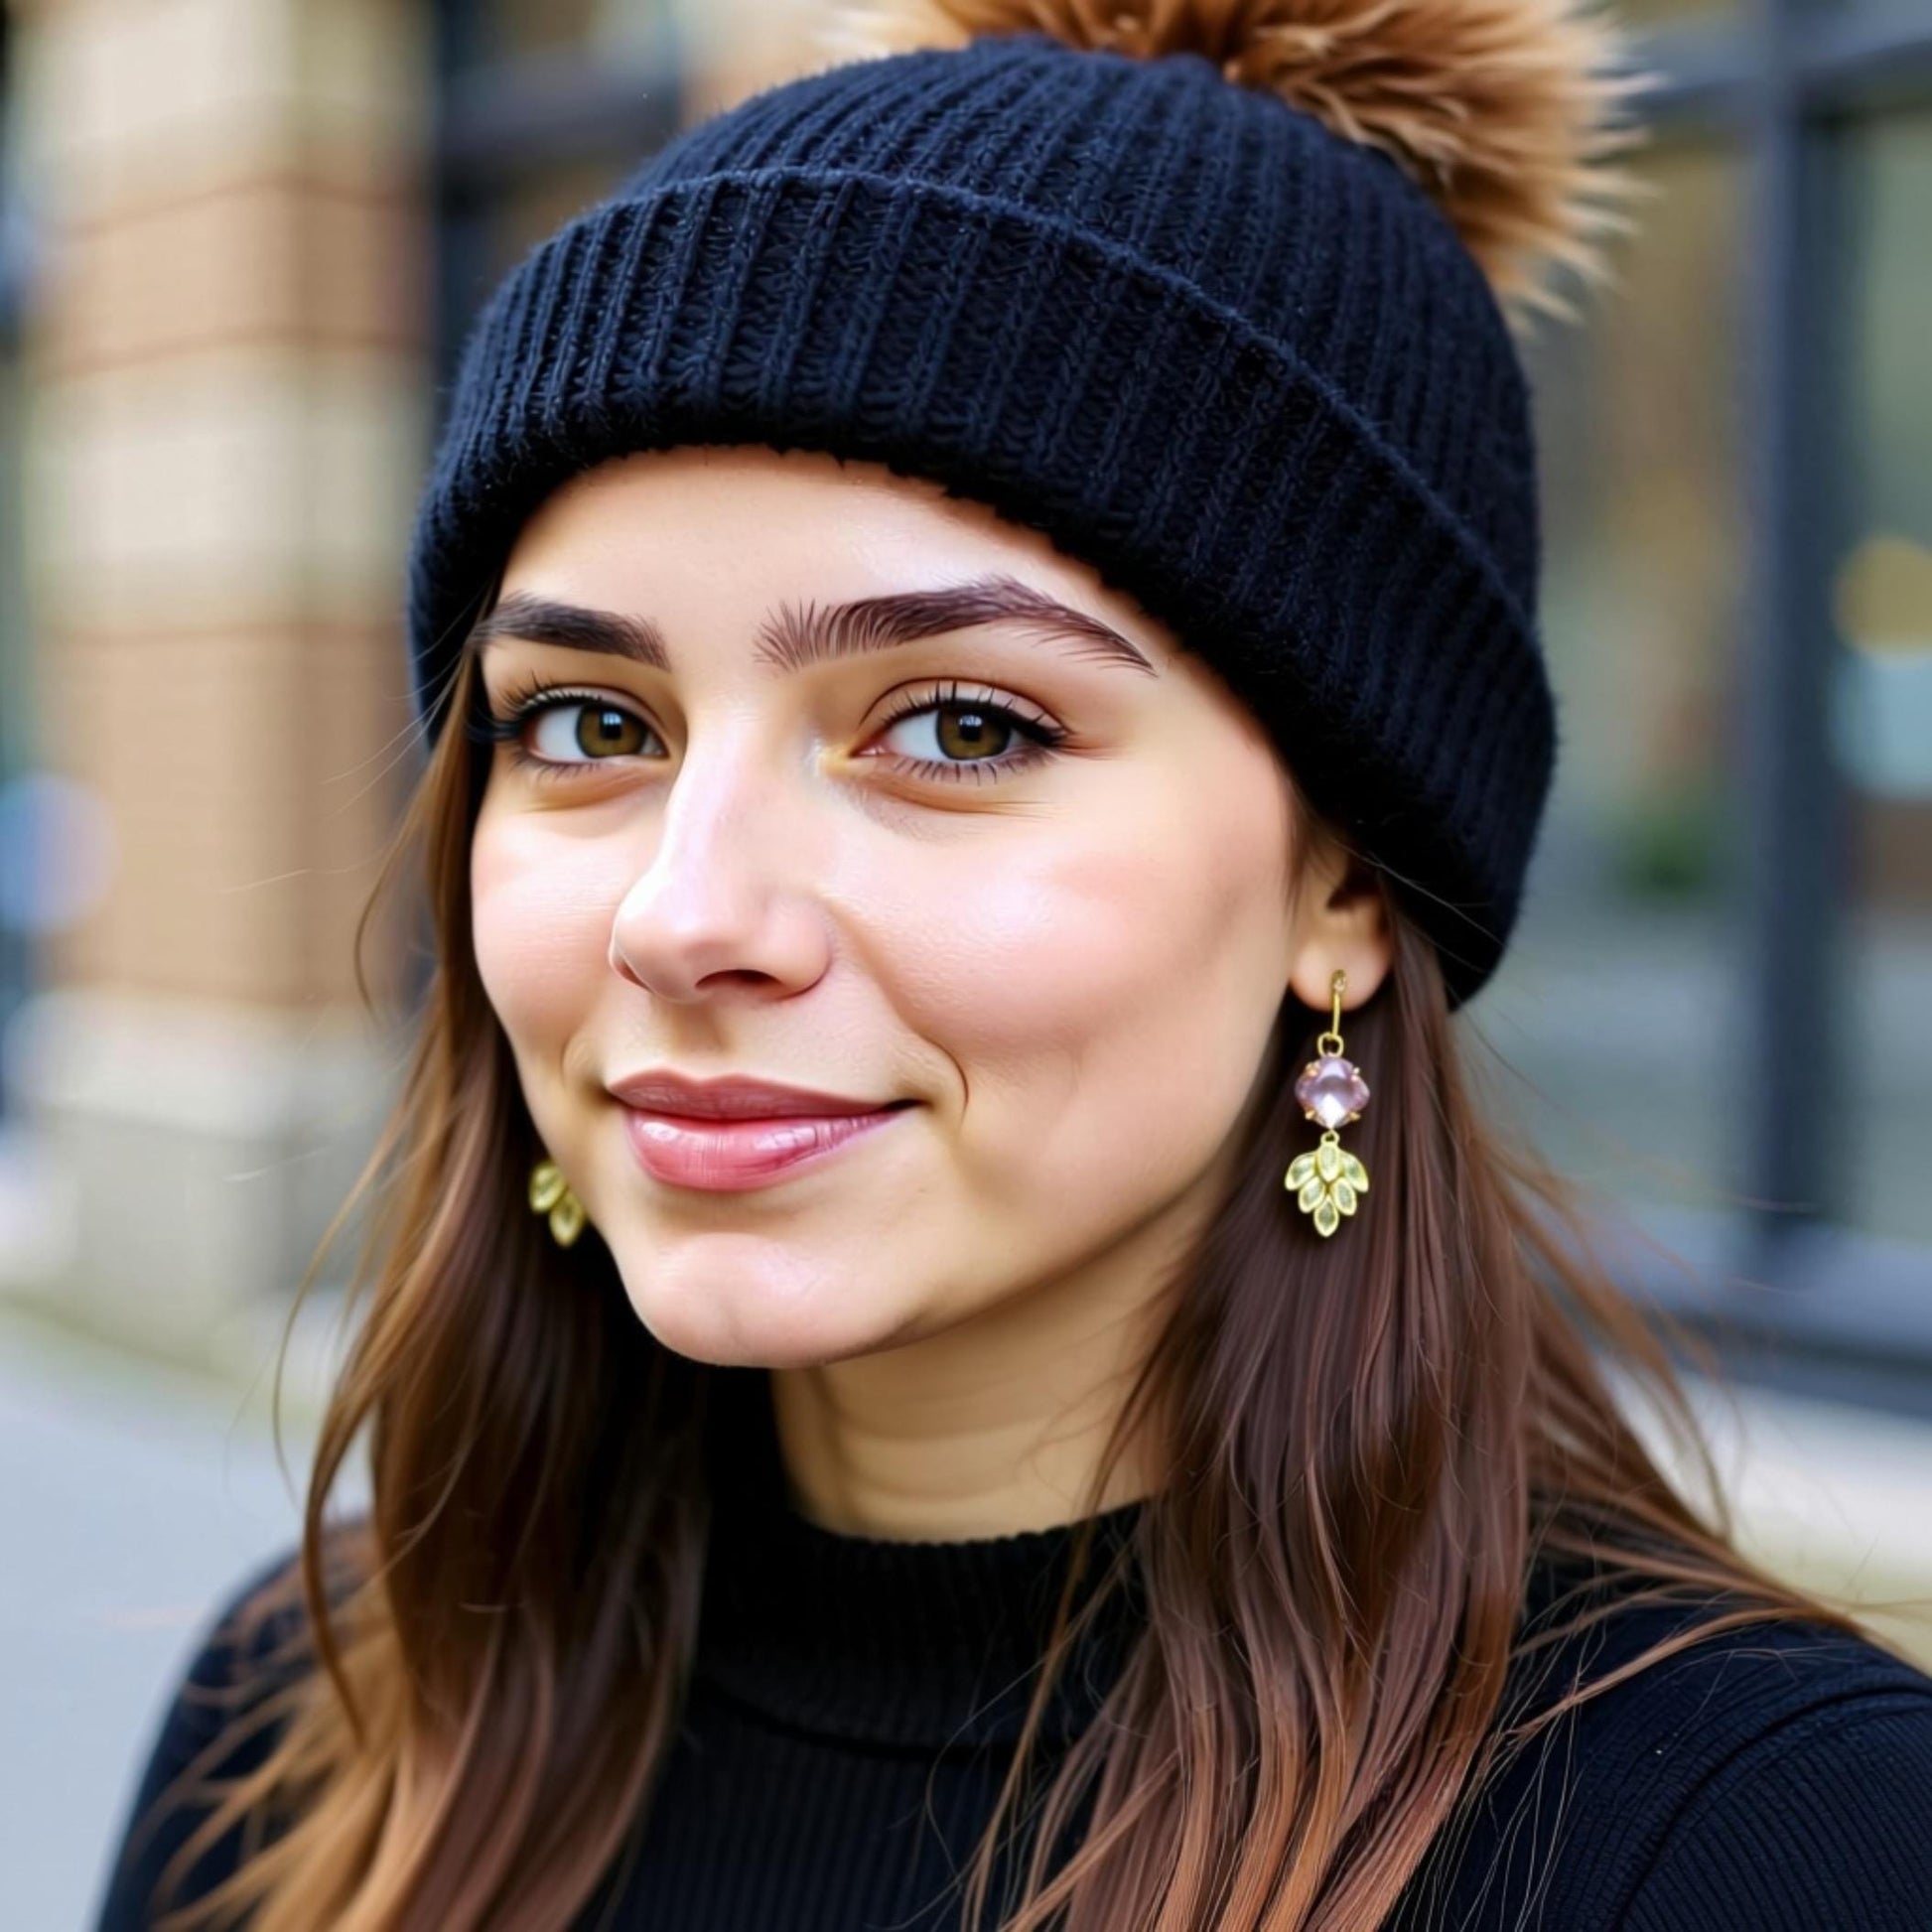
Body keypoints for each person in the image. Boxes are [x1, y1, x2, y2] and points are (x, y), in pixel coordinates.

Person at [92, 1, 1932, 1928]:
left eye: (961, 727)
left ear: (1346, 888)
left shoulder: (1772, 1849)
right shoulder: (312, 1728)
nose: (684, 912)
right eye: (586, 724)